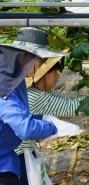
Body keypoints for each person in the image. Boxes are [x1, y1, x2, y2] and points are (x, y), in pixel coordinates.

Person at [10, 33, 83, 185]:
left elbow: (63, 101)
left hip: (21, 152)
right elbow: (71, 107)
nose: (58, 76)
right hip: (17, 156)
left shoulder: (35, 90)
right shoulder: (37, 97)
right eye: (54, 71)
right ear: (41, 75)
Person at [0, 27, 67, 185]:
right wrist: (53, 128)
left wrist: (42, 119)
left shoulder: (12, 77)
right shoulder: (5, 83)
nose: (42, 65)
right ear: (26, 56)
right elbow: (26, 129)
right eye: (41, 59)